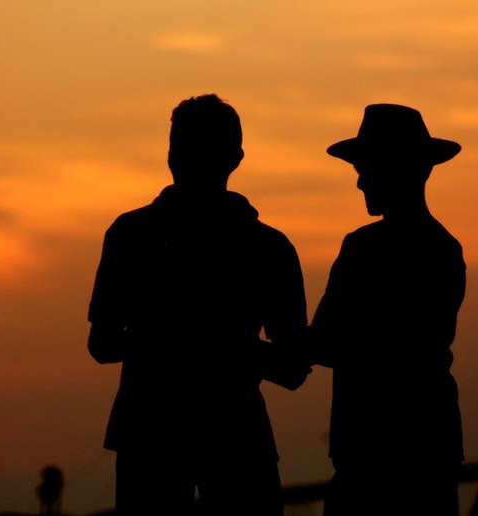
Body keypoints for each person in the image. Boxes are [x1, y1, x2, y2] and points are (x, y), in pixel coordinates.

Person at [88, 94, 311, 515]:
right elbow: (292, 367)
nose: (183, 159)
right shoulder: (267, 247)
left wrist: (181, 341)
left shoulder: (131, 235)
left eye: (190, 148)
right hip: (224, 434)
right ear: (236, 159)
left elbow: (102, 344)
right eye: (183, 148)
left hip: (159, 433)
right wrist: (224, 348)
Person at [311, 104, 465, 515]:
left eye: (367, 168)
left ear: (400, 170)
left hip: (370, 453)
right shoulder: (444, 250)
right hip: (427, 449)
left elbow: (325, 343)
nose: (360, 181)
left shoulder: (362, 249)